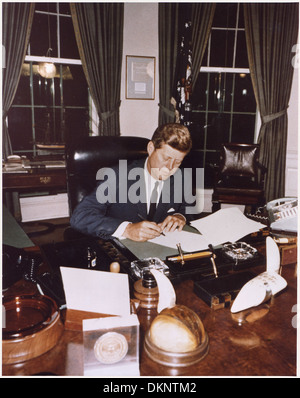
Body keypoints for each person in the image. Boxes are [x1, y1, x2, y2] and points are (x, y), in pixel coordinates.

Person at [70, 123, 194, 242]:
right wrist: (127, 229)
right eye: (166, 158)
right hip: (120, 252)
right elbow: (80, 217)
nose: (170, 167)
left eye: (178, 162)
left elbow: (186, 209)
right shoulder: (118, 176)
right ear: (151, 148)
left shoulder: (180, 178)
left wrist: (180, 217)